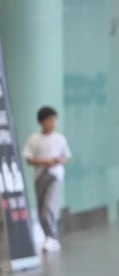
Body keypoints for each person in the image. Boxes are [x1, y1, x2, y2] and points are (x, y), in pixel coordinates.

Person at [22, 107, 72, 253]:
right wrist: (45, 161)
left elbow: (66, 157)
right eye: (49, 120)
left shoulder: (59, 139)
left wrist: (58, 161)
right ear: (41, 122)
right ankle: (49, 236)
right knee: (41, 207)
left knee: (48, 207)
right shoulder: (34, 139)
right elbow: (29, 159)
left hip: (54, 175)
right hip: (39, 176)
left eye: (54, 120)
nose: (53, 123)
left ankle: (52, 237)